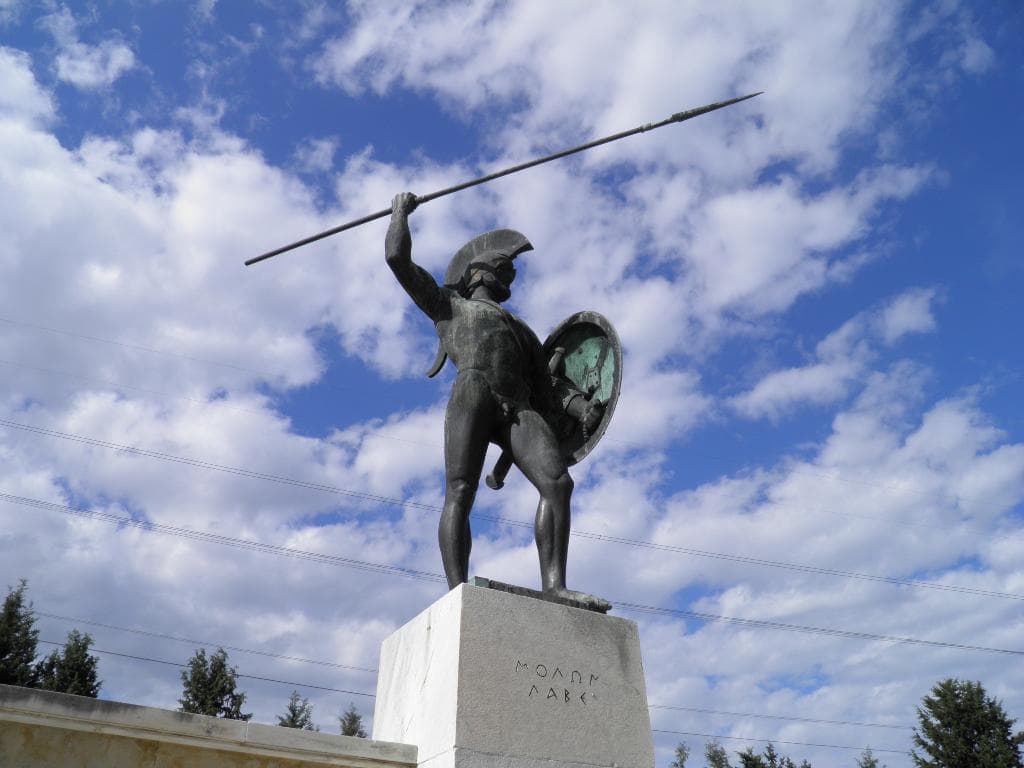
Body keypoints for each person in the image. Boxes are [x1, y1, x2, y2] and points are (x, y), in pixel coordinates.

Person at [385, 192, 607, 610]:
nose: (511, 278)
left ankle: (555, 586)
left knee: (558, 484)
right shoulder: (448, 305)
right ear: (479, 275)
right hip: (473, 391)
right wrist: (400, 213)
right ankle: (457, 592)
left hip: (519, 407)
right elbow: (398, 259)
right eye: (506, 269)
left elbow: (550, 395)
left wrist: (583, 410)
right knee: (461, 490)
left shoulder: (523, 330)